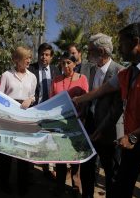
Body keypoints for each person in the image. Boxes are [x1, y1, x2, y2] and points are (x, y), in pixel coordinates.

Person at [73, 22, 140, 198]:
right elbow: (102, 90)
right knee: (120, 188)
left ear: (135, 42)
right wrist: (79, 99)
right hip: (134, 144)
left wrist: (133, 136)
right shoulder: (127, 73)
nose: (119, 48)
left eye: (121, 43)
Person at [80, 33, 124, 198]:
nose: (88, 54)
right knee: (87, 169)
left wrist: (102, 128)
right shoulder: (91, 69)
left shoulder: (120, 72)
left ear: (102, 52)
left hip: (109, 131)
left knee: (111, 173)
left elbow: (117, 108)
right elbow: (90, 98)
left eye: (90, 50)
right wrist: (83, 112)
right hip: (90, 126)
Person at [0, 46, 37, 196]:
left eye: (29, 57)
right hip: (8, 117)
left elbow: (33, 95)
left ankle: (23, 186)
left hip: (25, 117)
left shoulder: (32, 77)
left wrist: (30, 100)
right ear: (16, 59)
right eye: (25, 57)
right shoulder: (6, 75)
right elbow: (0, 97)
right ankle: (4, 184)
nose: (29, 60)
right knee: (6, 152)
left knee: (23, 153)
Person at [49, 53, 89, 196]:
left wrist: (82, 114)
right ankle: (59, 188)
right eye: (63, 63)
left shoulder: (82, 78)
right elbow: (51, 101)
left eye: (68, 63)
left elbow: (86, 99)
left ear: (74, 64)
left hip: (77, 124)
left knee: (75, 160)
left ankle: (76, 189)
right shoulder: (56, 80)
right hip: (60, 124)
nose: (65, 66)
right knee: (60, 158)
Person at [28, 42, 61, 179]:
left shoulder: (56, 70)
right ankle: (29, 172)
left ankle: (47, 169)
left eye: (47, 55)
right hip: (34, 109)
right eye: (41, 54)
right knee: (33, 142)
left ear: (51, 57)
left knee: (48, 140)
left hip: (50, 111)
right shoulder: (31, 69)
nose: (43, 57)